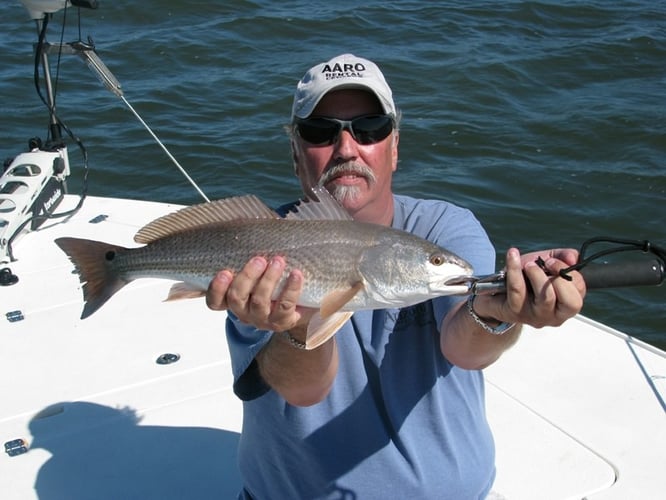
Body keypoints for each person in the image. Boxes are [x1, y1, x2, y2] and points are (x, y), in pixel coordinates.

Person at [206, 54, 586, 499]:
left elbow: (463, 347)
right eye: (320, 132)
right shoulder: (263, 249)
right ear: (295, 154)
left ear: (395, 146)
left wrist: (496, 310)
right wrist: (296, 325)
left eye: (369, 129)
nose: (347, 149)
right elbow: (303, 389)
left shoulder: (445, 229)